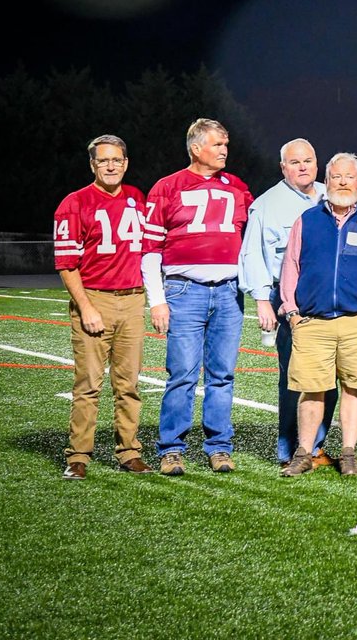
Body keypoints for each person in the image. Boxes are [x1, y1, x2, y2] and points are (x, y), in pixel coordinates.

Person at [142, 118, 253, 475]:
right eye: (218, 144)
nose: (224, 150)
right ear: (196, 147)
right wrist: (156, 299)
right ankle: (172, 448)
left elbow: (258, 230)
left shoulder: (237, 187)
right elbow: (150, 249)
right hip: (183, 290)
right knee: (182, 374)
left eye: (226, 144)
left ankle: (219, 446)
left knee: (222, 374)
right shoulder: (166, 187)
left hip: (228, 291)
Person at [279, 153, 357, 477]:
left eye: (349, 177)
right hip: (312, 321)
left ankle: (348, 453)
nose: (343, 182)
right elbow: (290, 265)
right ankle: (303, 452)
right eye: (336, 177)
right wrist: (291, 311)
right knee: (311, 388)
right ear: (326, 181)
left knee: (352, 387)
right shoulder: (308, 220)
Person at [54, 134, 152, 479]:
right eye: (104, 160)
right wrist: (86, 307)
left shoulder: (138, 198)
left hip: (132, 298)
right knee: (88, 384)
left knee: (129, 384)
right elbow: (67, 263)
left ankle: (128, 451)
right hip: (94, 298)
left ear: (126, 163)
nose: (111, 166)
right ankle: (78, 455)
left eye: (117, 160)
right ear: (93, 164)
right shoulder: (74, 203)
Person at [239, 138, 337, 470]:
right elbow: (252, 255)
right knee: (295, 379)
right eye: (294, 162)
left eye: (308, 160)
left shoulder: (331, 195)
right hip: (290, 300)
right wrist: (262, 302)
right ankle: (289, 450)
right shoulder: (268, 204)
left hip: (332, 301)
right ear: (283, 167)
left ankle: (316, 446)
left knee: (330, 378)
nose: (303, 167)